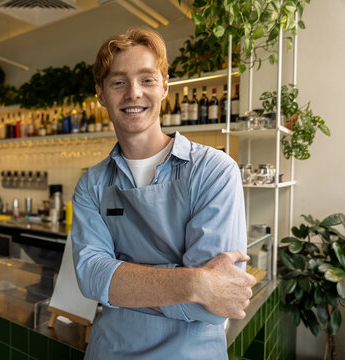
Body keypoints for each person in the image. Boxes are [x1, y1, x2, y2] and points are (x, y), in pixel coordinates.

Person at [71, 27, 256, 360]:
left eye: (147, 79)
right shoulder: (92, 184)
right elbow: (91, 276)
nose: (133, 93)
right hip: (109, 351)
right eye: (118, 82)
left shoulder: (213, 171)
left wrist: (122, 284)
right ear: (100, 93)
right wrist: (198, 284)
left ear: (165, 87)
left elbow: (214, 309)